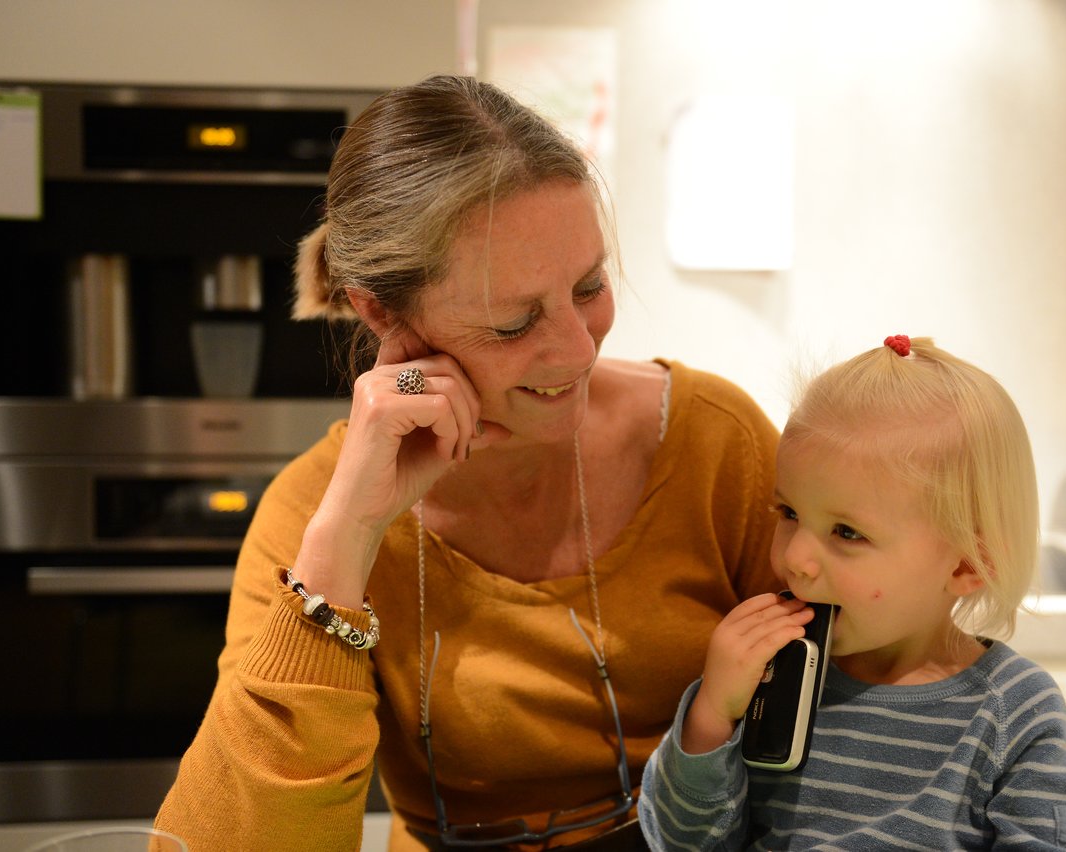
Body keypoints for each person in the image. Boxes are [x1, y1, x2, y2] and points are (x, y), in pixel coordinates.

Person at [154, 74, 783, 851]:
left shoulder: (719, 443)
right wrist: (346, 540)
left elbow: (863, 732)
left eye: (589, 286)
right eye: (513, 324)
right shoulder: (317, 510)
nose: (579, 350)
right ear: (379, 311)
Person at [638, 335, 1066, 851]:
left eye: (846, 532)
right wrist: (711, 716)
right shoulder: (765, 675)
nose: (795, 558)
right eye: (789, 513)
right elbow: (683, 843)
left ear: (969, 564)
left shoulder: (1014, 710)